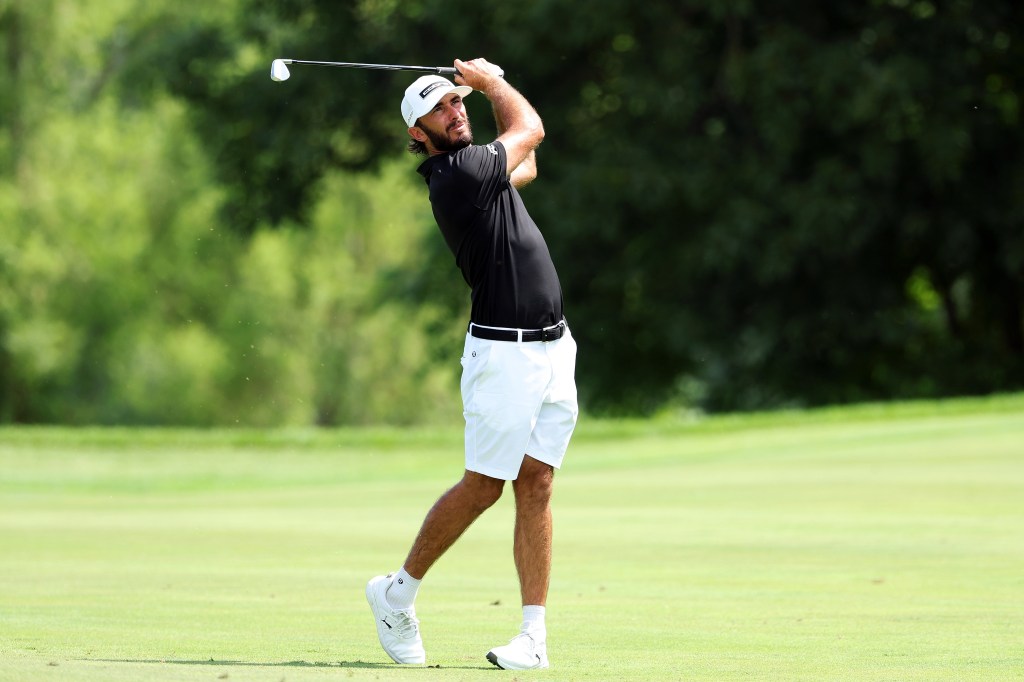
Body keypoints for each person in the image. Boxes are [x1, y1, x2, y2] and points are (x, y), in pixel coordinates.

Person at [365, 57, 579, 671]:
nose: (455, 112)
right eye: (441, 108)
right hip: (502, 350)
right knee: (485, 484)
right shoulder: (455, 174)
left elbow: (527, 160)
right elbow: (531, 130)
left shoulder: (483, 174)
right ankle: (396, 592)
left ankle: (532, 639)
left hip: (552, 346)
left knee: (536, 483)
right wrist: (490, 83)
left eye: (458, 102)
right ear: (418, 135)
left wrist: (490, 100)